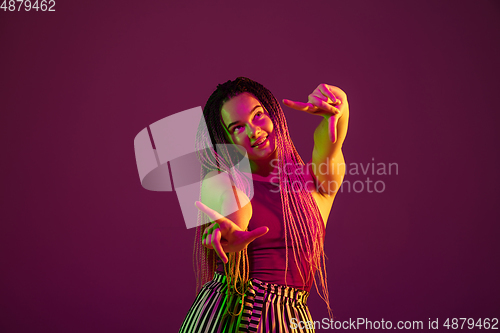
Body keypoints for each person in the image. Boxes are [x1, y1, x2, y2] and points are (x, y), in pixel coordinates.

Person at [179, 77, 349, 333]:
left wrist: (340, 106)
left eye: (258, 115)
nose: (253, 131)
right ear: (225, 140)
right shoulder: (218, 180)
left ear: (273, 114)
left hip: (290, 319)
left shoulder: (316, 183)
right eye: (237, 127)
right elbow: (234, 204)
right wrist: (232, 231)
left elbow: (330, 146)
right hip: (224, 315)